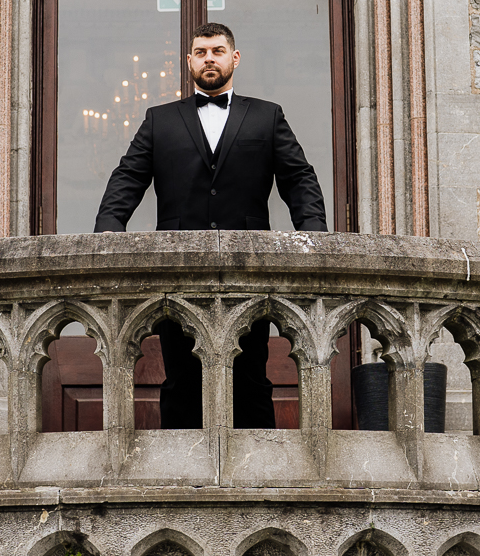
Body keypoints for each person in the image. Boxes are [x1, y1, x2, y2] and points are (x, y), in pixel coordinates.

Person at [94, 22, 327, 428]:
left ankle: (258, 480)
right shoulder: (159, 120)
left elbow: (299, 179)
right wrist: (107, 236)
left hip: (251, 271)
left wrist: (316, 240)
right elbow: (128, 178)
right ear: (189, 62)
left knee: (252, 378)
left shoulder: (268, 116)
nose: (209, 59)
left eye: (217, 51)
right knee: (179, 381)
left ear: (234, 58)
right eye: (201, 52)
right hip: (176, 271)